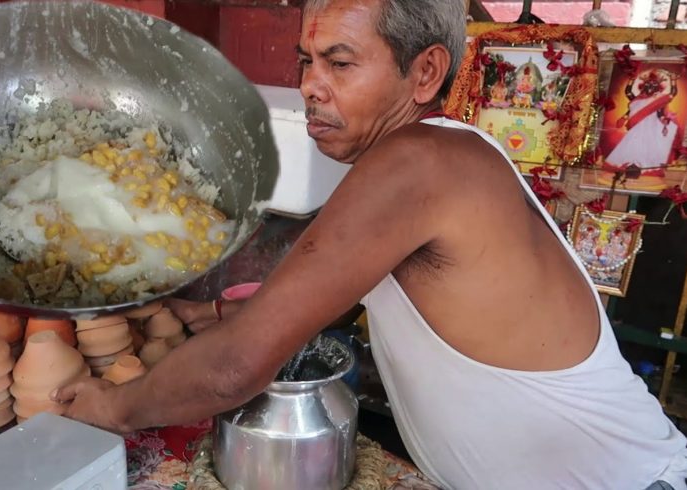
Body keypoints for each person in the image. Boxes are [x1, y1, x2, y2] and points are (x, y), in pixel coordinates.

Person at [53, 0, 687, 488]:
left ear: (425, 72)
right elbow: (312, 298)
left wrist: (113, 407)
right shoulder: (433, 156)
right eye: (307, 61)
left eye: (341, 62)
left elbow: (232, 370)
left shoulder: (417, 163)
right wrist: (212, 314)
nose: (309, 85)